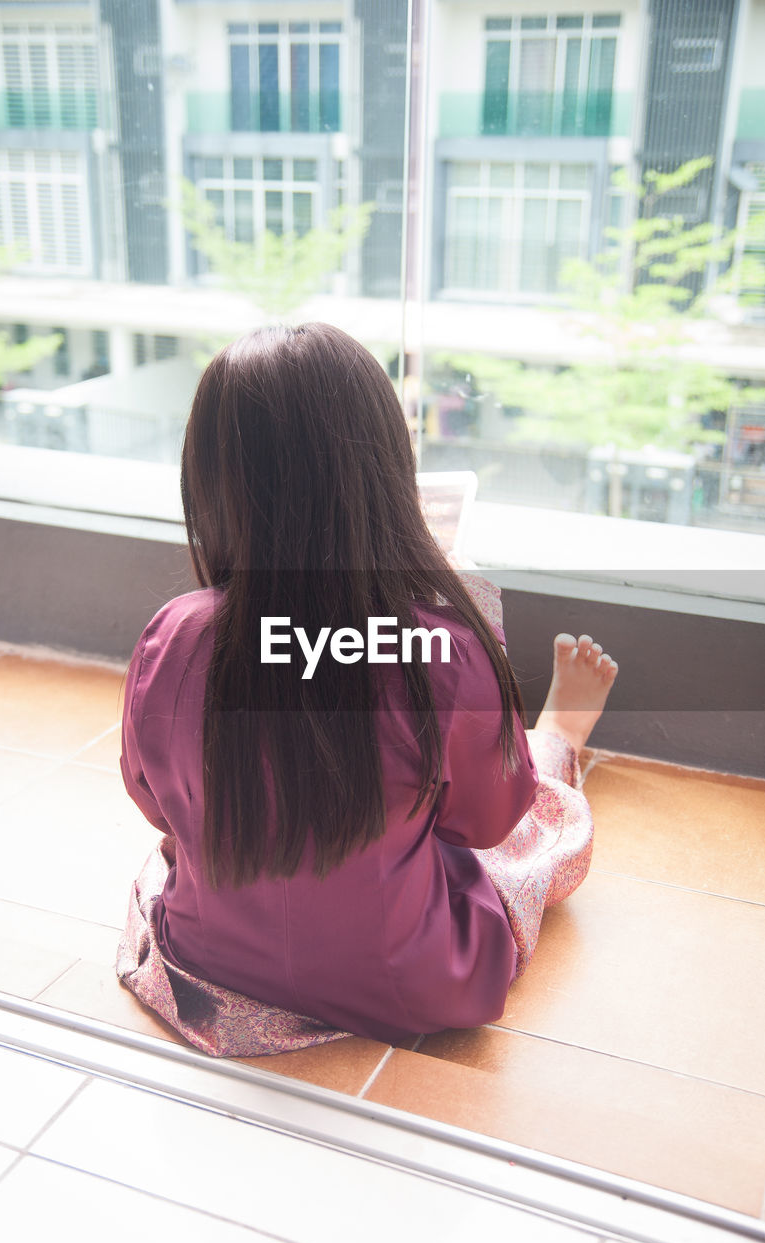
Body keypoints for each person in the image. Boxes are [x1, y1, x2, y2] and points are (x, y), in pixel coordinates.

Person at [118, 322, 618, 1057]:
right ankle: (557, 741)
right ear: (385, 475)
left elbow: (154, 801)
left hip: (207, 962)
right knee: (542, 834)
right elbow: (488, 823)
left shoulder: (173, 636)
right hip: (407, 981)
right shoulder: (437, 648)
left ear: (209, 482)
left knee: (184, 847)